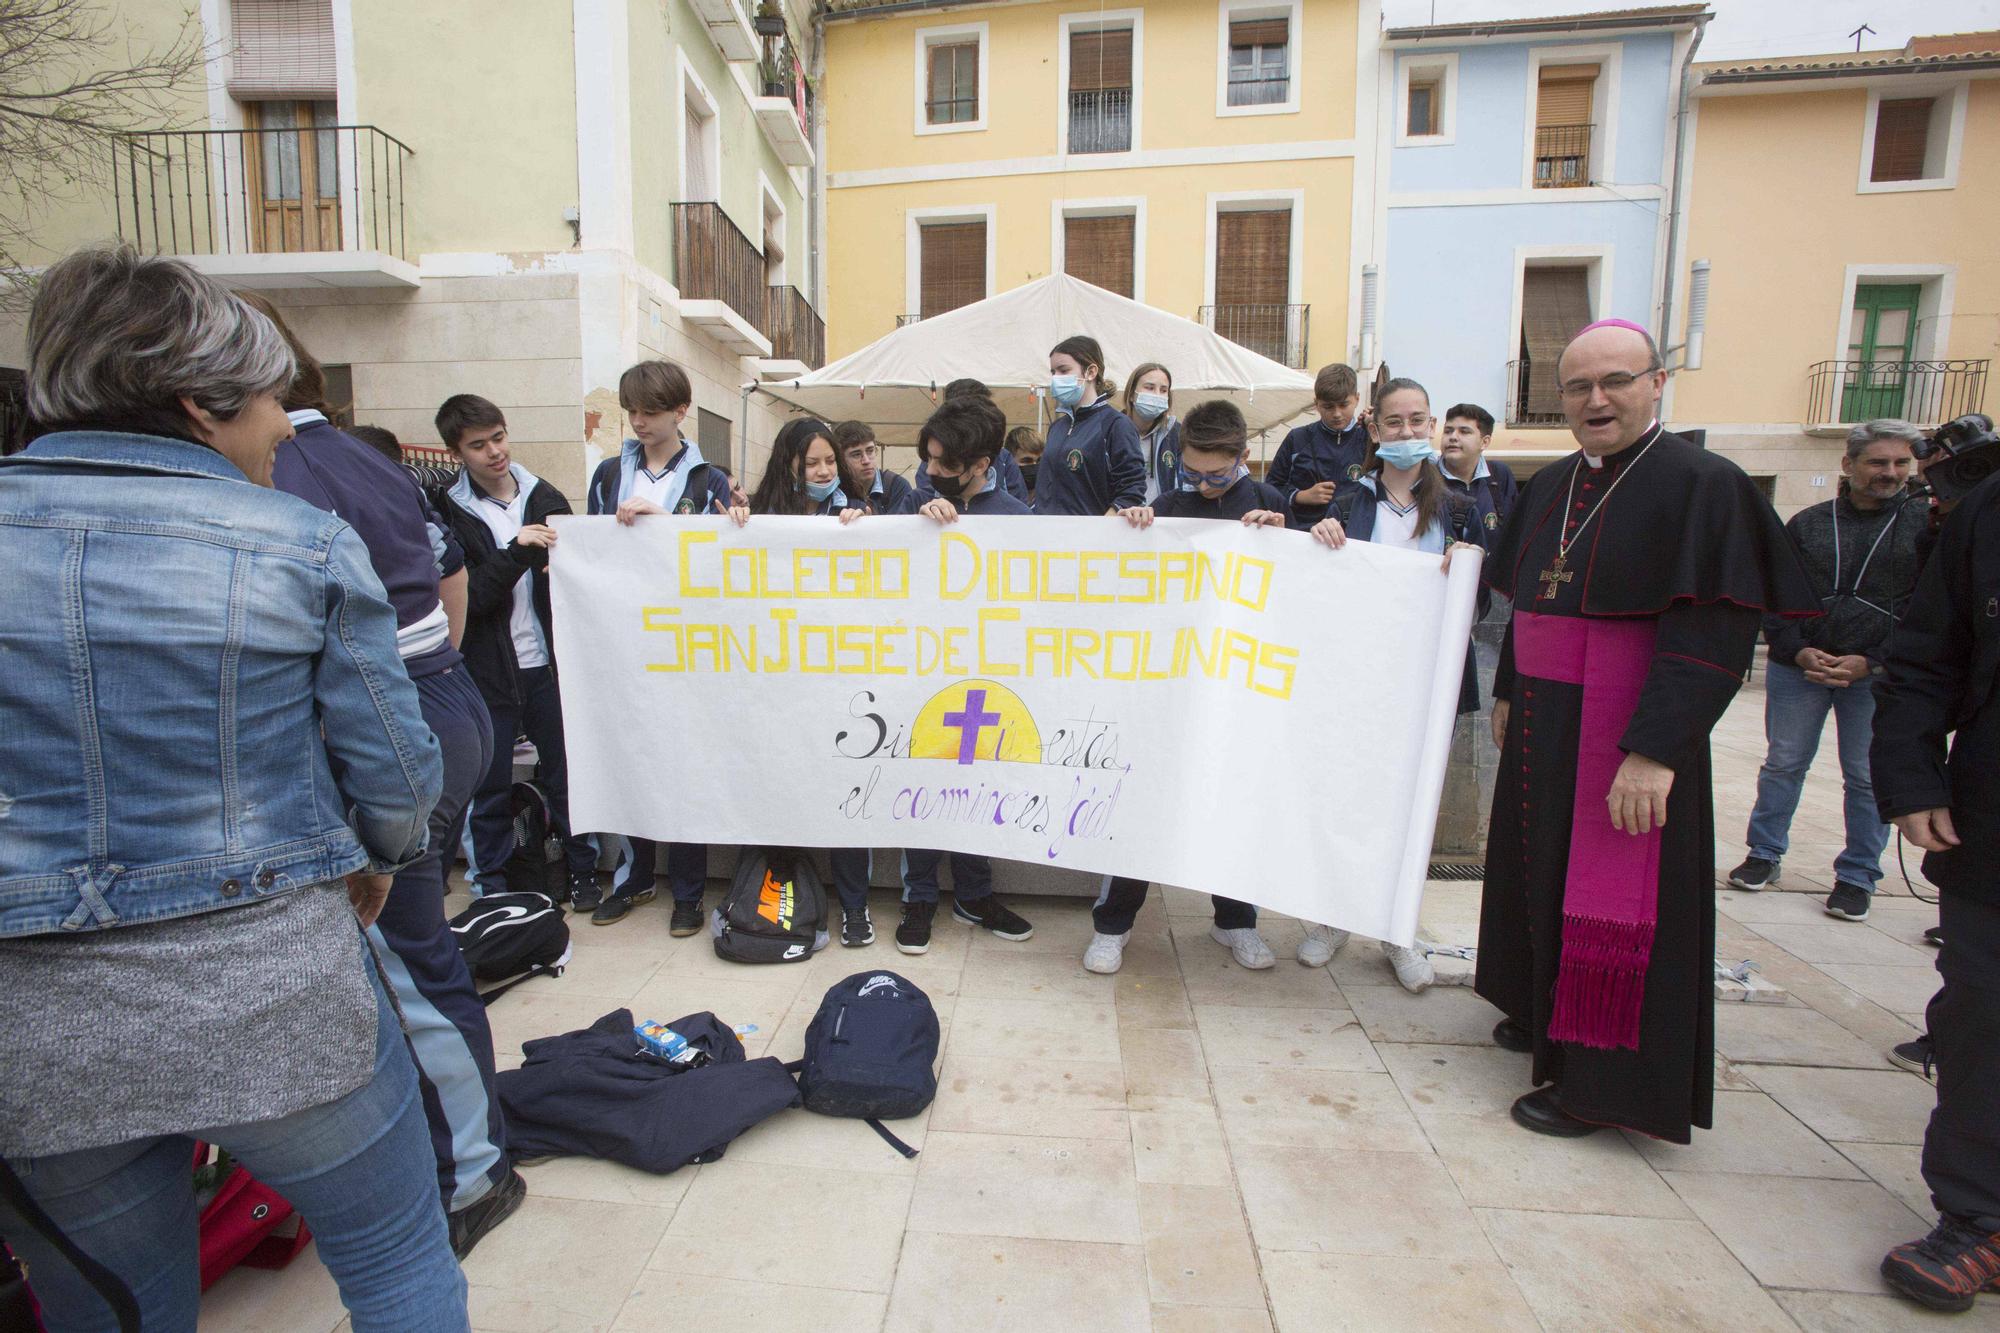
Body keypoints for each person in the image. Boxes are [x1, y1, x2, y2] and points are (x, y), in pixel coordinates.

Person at [0, 248, 467, 1331]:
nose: (280, 430)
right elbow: (401, 774)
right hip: (274, 999)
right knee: (399, 1263)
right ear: (197, 405)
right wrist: (379, 858)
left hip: (33, 1036)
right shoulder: (298, 544)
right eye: (270, 401)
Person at [1472, 318, 1818, 1142]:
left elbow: (1713, 633)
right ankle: (1547, 1013)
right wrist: (1513, 689)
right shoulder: (1552, 482)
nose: (1597, 400)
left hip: (1628, 727)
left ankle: (1605, 1083)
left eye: (1616, 381)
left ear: (1656, 383)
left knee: (1612, 892)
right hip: (1546, 723)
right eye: (1579, 386)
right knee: (1538, 866)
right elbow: (1532, 598)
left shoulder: (1705, 485)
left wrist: (1656, 750)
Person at [251, 295, 523, 1253]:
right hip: (443, 703)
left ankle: (474, 1173)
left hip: (396, 719)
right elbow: (451, 569)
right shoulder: (373, 457)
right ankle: (466, 1152)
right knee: (411, 949)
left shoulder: (276, 469)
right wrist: (435, 670)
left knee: (405, 958)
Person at [1086, 401, 1290, 974]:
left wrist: (1291, 540)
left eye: (1216, 475)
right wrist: (1131, 530)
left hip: (1237, 692)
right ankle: (1112, 926)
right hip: (1168, 689)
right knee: (1145, 805)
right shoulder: (1168, 507)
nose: (1201, 484)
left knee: (1226, 805)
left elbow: (1304, 593)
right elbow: (1124, 581)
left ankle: (1236, 921)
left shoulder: (1272, 507)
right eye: (1192, 472)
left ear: (1243, 458)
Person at [1870, 464, 2000, 1314]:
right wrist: (1913, 775)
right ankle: (1978, 1214)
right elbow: (1926, 653)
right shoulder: (1988, 512)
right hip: (1992, 818)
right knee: (1982, 1010)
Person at [1307, 377, 1486, 992]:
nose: (1407, 433)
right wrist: (1321, 538)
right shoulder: (1351, 504)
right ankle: (1333, 919)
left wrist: (1466, 570)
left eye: (1418, 421)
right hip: (1357, 679)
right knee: (1346, 798)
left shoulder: (1462, 507)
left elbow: (1483, 601)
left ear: (1431, 426)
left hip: (1426, 684)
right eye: (1394, 423)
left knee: (1410, 812)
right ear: (1374, 430)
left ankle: (1397, 931)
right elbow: (1320, 583)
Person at [1730, 419, 1923, 921]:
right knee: (1783, 764)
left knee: (1864, 776)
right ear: (1849, 464)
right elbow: (1777, 592)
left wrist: (1873, 660)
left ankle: (1858, 876)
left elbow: (1927, 609)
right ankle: (1763, 854)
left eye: (1901, 463)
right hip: (1803, 667)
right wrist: (1795, 649)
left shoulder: (1923, 526)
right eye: (1878, 462)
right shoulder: (1810, 524)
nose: (1890, 473)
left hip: (1874, 674)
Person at [434, 395, 601, 906]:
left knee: (568, 778)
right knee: (486, 790)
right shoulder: (447, 510)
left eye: (499, 437)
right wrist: (519, 551)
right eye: (478, 445)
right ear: (456, 452)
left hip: (551, 666)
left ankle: (582, 874)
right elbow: (473, 596)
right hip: (485, 671)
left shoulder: (545, 494)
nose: (494, 452)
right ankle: (492, 888)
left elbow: (582, 578)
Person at [583, 360, 732, 929]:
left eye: (651, 411)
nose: (640, 422)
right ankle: (634, 876)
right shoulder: (606, 476)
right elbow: (594, 551)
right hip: (625, 644)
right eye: (633, 411)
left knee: (685, 768)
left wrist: (664, 522)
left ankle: (689, 892)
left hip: (686, 646)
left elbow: (716, 562)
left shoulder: (707, 480)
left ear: (680, 411)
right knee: (632, 764)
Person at [889, 397, 1040, 953]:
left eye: (944, 464)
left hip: (986, 677)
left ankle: (975, 896)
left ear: (981, 464)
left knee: (979, 787)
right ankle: (919, 898)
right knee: (923, 786)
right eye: (927, 459)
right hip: (920, 674)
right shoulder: (915, 500)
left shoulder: (1018, 519)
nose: (930, 471)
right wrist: (914, 527)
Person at [729, 418, 878, 945]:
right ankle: (773, 899)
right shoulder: (757, 516)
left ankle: (855, 907)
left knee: (845, 796)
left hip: (839, 685)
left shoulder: (860, 516)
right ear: (789, 464)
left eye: (829, 462)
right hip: (777, 688)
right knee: (781, 792)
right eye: (811, 462)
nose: (822, 471)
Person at [1031, 336, 1147, 517]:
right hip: (1049, 536)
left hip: (1091, 539)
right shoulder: (1057, 427)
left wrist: (1102, 529)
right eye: (1053, 372)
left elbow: (1132, 488)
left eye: (1064, 370)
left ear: (1091, 372)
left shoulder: (1116, 425)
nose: (1056, 378)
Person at [1268, 363, 1369, 528]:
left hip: (1352, 539)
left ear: (1357, 399)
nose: (1337, 413)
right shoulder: (1297, 438)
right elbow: (1271, 488)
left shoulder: (1369, 440)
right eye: (1328, 406)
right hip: (1303, 538)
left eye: (1344, 405)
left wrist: (1377, 424)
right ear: (1316, 404)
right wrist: (1300, 496)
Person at [913, 378, 1031, 503]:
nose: (931, 469)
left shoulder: (1003, 458)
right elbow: (924, 493)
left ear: (981, 465)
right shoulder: (918, 499)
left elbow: (1018, 505)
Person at [1439, 402, 1518, 538]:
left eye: (1464, 432)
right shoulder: (1427, 476)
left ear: (1484, 442)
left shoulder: (1499, 474)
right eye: (1448, 431)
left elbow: (1515, 529)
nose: (1453, 437)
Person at [1122, 361, 1180, 501]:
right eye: (1149, 388)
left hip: (1162, 518)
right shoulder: (1111, 431)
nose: (1157, 395)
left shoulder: (1176, 433)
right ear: (1131, 394)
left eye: (1163, 390)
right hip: (1120, 517)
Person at [834, 418, 916, 514]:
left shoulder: (896, 486)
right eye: (856, 454)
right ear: (841, 460)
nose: (866, 460)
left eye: (870, 451)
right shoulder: (835, 492)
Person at [1007, 425, 1044, 503]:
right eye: (1027, 461)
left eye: (1039, 461)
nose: (1034, 465)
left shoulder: (1049, 500)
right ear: (1010, 460)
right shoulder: (1000, 500)